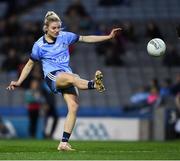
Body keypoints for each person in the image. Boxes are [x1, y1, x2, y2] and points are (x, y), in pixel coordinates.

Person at [6, 11, 121, 151]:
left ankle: (63, 143)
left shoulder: (65, 36)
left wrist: (108, 37)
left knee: (73, 106)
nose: (57, 30)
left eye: (58, 27)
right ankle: (93, 84)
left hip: (66, 74)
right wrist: (19, 81)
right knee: (73, 78)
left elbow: (85, 38)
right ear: (46, 28)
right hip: (52, 76)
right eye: (54, 28)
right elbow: (29, 64)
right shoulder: (39, 45)